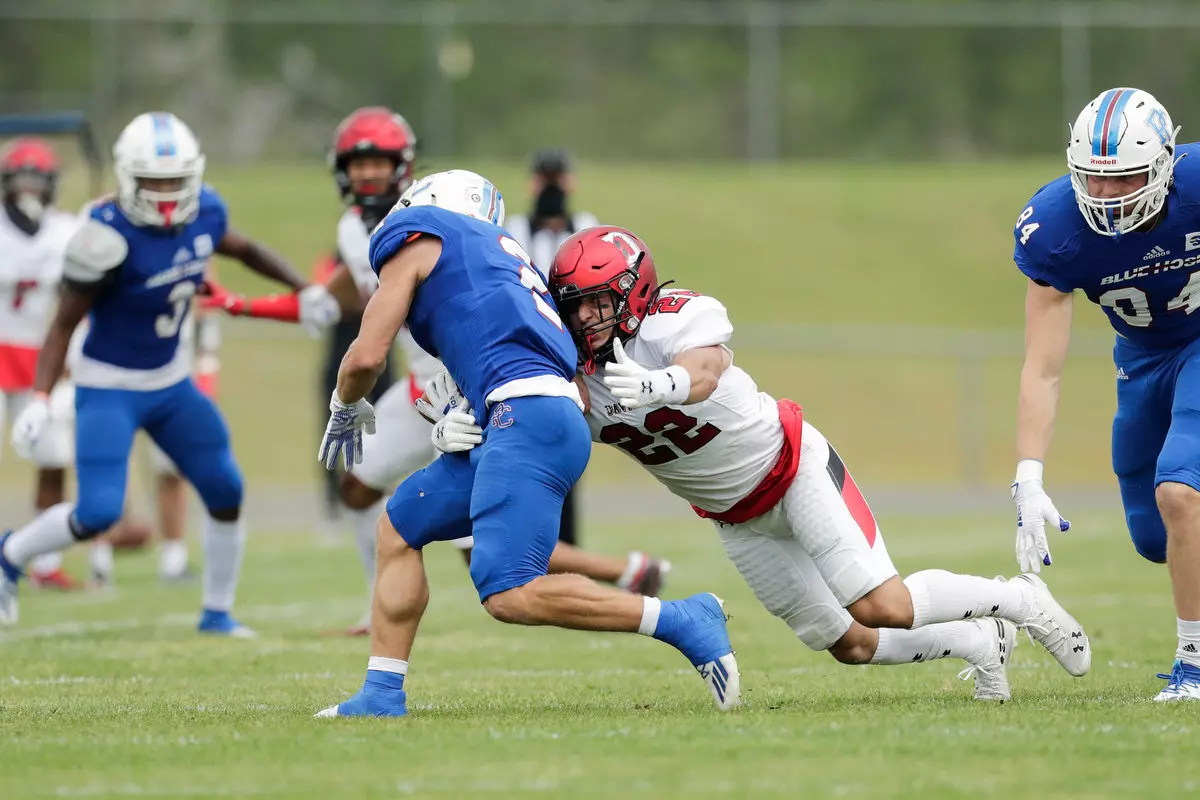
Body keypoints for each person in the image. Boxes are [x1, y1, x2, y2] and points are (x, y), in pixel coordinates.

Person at [539, 225, 1093, 701]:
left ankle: (1022, 598)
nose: (585, 317)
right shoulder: (572, 377)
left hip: (791, 469)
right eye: (574, 304)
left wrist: (662, 383)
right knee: (852, 644)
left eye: (597, 301)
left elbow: (705, 365)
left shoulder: (673, 318)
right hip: (736, 518)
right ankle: (982, 641)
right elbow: (530, 421)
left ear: (633, 292)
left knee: (884, 605)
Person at [205, 111, 669, 636]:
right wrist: (242, 305)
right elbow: (331, 301)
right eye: (359, 164)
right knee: (401, 506)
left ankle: (634, 582)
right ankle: (628, 575)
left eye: (380, 162)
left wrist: (355, 399)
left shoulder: (444, 216)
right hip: (429, 389)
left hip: (479, 389)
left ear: (406, 168)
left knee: (488, 543)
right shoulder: (360, 232)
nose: (369, 175)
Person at [313, 169, 739, 717]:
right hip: (537, 416)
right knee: (399, 526)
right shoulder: (509, 260)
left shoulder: (420, 235)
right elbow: (537, 367)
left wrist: (346, 402)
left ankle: (682, 619)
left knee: (508, 592)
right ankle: (380, 695)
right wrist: (461, 418)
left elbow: (370, 354)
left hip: (527, 420)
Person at [0, 111, 331, 634]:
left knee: (225, 487)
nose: (165, 193)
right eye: (153, 180)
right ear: (128, 176)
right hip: (107, 384)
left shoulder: (206, 212)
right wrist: (41, 397)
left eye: (175, 181)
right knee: (98, 513)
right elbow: (64, 322)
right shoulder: (102, 234)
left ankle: (217, 612)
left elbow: (246, 250)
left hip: (169, 382)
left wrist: (304, 289)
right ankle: (11, 554)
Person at [1009, 87, 1200, 701]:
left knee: (1181, 493)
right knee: (1154, 535)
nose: (1109, 196)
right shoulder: (1057, 226)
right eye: (1094, 180)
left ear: (1166, 165)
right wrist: (1028, 475)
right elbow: (1042, 368)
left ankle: (1193, 664)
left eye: (1127, 179)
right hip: (1142, 359)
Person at [504, 148, 600, 549]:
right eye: (544, 179)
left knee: (566, 454)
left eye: (557, 178)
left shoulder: (587, 227)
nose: (551, 188)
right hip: (530, 354)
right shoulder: (514, 230)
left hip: (574, 356)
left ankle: (567, 551)